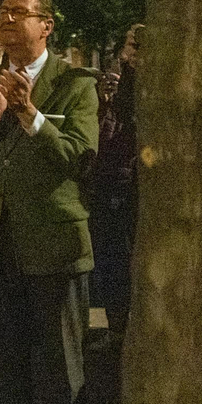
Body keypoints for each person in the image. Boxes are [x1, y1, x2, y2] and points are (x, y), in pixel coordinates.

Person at [0, 0, 98, 404]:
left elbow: (80, 157)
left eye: (20, 12)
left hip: (55, 251)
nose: (8, 20)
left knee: (58, 373)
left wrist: (30, 114)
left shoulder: (74, 84)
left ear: (46, 26)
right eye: (3, 13)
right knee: (4, 375)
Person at [88, 23, 141, 340]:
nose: (135, 52)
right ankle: (118, 332)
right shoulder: (113, 82)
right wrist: (104, 101)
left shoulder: (155, 84)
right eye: (132, 44)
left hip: (139, 190)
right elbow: (101, 137)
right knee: (113, 269)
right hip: (110, 190)